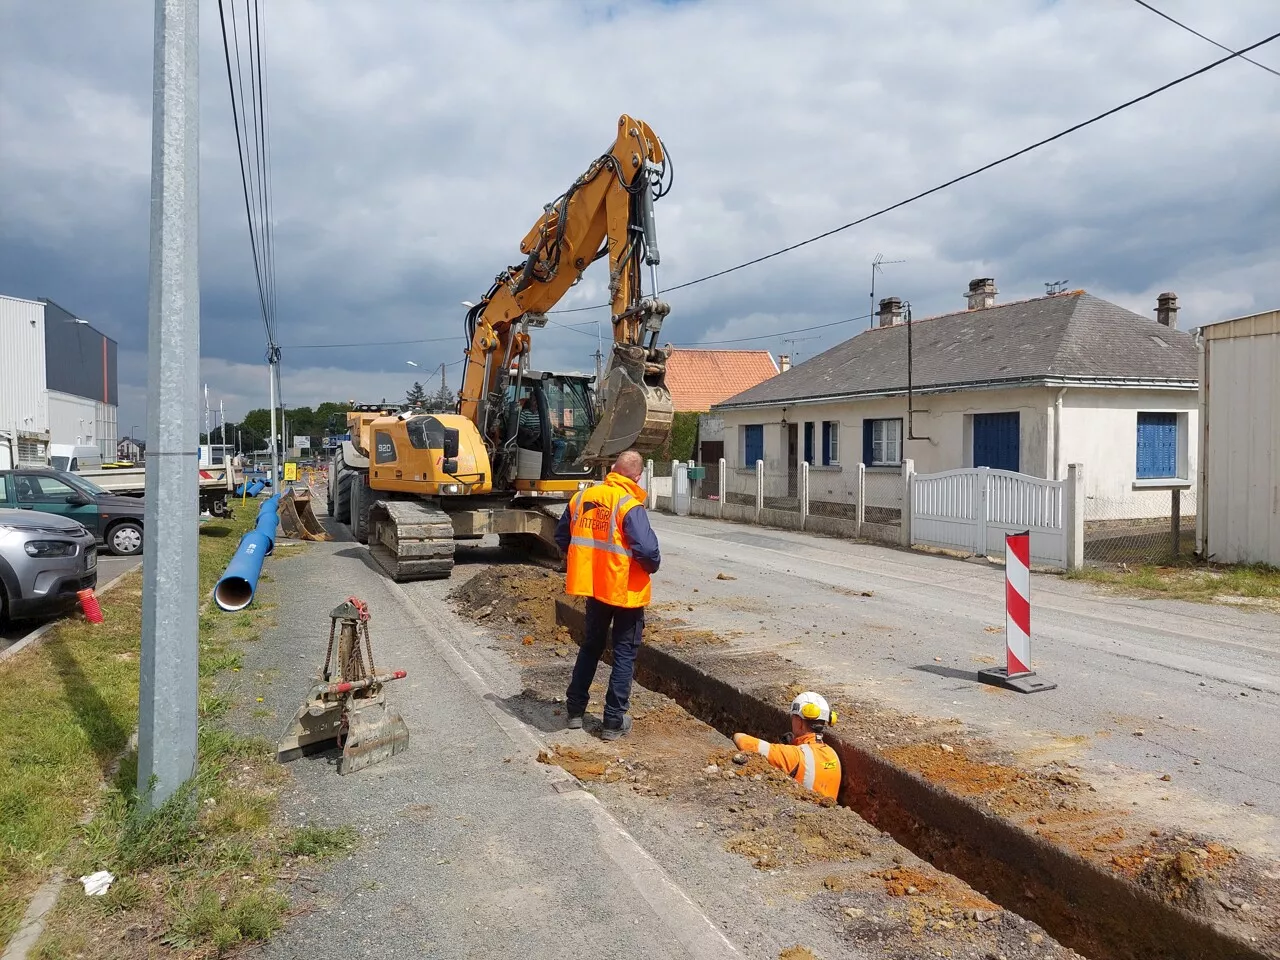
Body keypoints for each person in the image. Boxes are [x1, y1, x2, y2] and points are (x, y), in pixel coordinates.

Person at [554, 449, 660, 741]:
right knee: (625, 653)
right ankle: (613, 721)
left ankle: (575, 710)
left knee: (591, 645)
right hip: (624, 591)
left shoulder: (582, 498)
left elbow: (563, 537)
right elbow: (648, 551)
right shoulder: (629, 504)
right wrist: (651, 567)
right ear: (637, 476)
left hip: (594, 588)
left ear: (613, 469)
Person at [733, 692, 841, 800]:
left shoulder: (795, 755)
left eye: (793, 718)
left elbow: (743, 741)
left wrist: (736, 735)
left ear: (799, 722)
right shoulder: (833, 755)